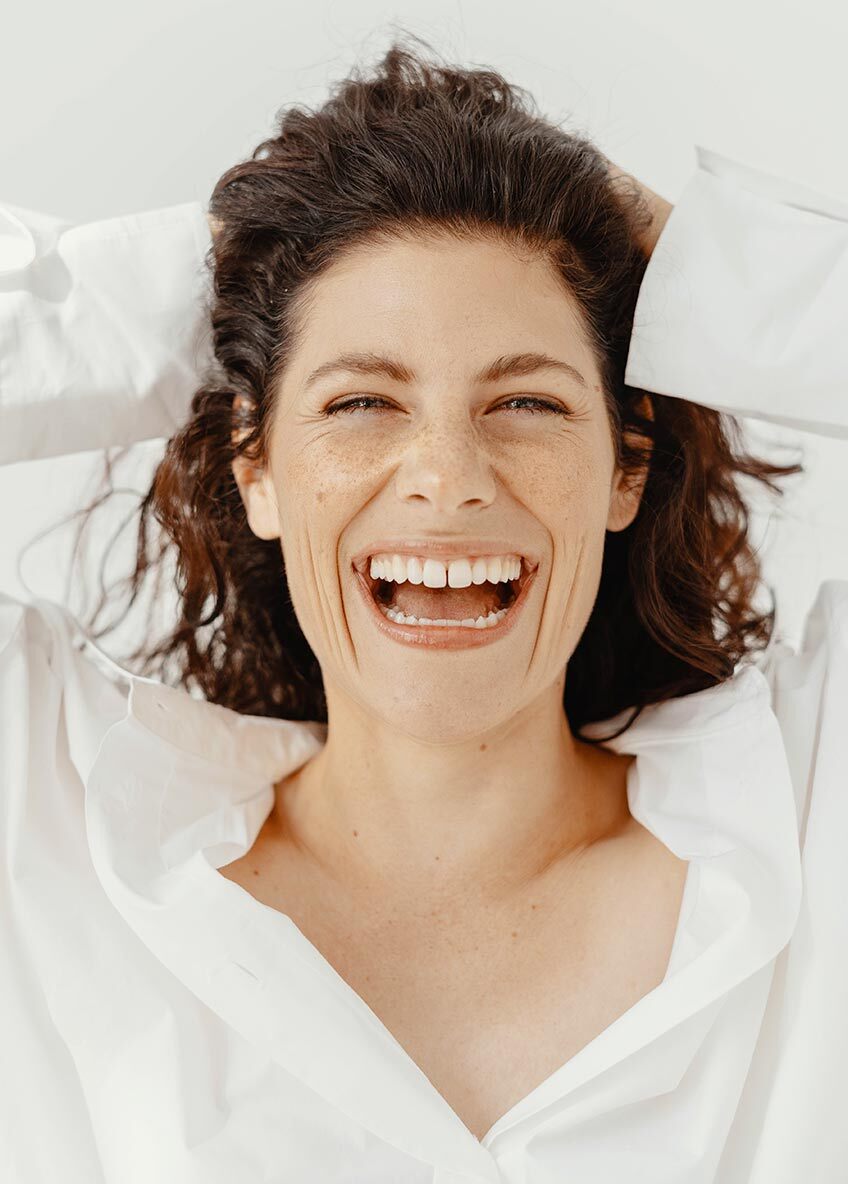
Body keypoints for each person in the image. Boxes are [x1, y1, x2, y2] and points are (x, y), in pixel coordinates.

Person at [1, 41, 847, 1184]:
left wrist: (711, 275)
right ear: (256, 464)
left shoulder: (809, 816)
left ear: (623, 466)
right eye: (360, 400)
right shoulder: (52, 832)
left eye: (525, 401)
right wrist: (227, 262)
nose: (447, 478)